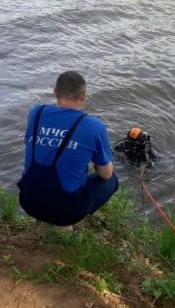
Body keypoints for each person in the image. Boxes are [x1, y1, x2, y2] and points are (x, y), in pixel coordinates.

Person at [17, 71, 118, 226]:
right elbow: (106, 174)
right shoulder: (94, 126)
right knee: (112, 181)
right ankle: (71, 222)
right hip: (67, 214)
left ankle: (42, 216)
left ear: (55, 91)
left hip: (28, 202)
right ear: (83, 95)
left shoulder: (36, 112)